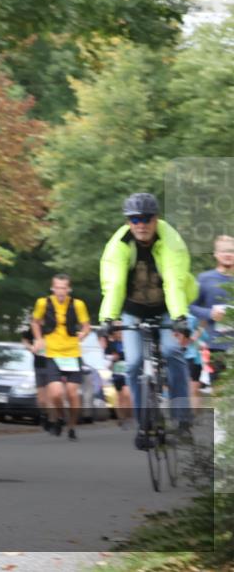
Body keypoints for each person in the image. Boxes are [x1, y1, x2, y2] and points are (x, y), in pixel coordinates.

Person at [98, 193, 196, 450]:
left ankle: (182, 419)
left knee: (172, 351)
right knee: (132, 364)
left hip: (166, 308)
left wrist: (180, 318)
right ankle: (143, 424)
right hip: (133, 310)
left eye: (147, 218)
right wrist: (108, 318)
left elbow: (174, 281)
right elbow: (113, 284)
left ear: (156, 219)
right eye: (135, 219)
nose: (141, 224)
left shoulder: (171, 241)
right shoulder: (119, 244)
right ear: (128, 222)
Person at [30, 274, 91, 440]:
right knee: (56, 393)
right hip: (52, 353)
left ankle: (72, 426)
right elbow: (35, 322)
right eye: (57, 287)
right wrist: (39, 339)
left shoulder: (78, 304)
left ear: (69, 289)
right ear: (52, 288)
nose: (60, 291)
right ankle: (60, 417)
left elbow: (86, 326)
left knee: (72, 393)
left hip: (72, 353)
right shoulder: (43, 303)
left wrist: (83, 334)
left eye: (63, 288)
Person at [189, 235, 233, 380]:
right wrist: (210, 313)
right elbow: (190, 307)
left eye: (231, 251)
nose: (228, 254)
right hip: (216, 345)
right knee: (219, 388)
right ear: (216, 254)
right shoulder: (204, 278)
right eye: (224, 251)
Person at [20, 324, 52, 433]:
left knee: (49, 397)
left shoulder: (53, 326)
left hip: (52, 366)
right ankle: (45, 415)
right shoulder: (34, 328)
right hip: (38, 366)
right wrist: (31, 347)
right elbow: (24, 340)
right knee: (41, 399)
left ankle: (51, 420)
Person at [99, 327, 132, 428]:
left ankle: (127, 417)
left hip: (128, 372)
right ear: (114, 334)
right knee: (119, 396)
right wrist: (113, 358)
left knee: (127, 394)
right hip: (117, 372)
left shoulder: (129, 343)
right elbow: (109, 358)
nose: (120, 333)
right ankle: (121, 419)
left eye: (121, 331)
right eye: (118, 332)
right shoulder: (112, 345)